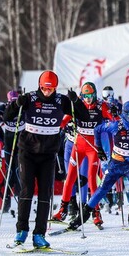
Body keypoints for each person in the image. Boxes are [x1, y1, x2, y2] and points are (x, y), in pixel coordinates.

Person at [5, 71, 86, 249]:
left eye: (50, 89)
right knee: (27, 190)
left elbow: (84, 116)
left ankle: (39, 234)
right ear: (39, 86)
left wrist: (76, 101)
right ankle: (21, 231)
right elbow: (7, 117)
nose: (47, 92)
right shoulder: (30, 98)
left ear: (55, 88)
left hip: (48, 154)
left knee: (45, 193)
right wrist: (16, 104)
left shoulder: (61, 100)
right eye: (44, 88)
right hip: (27, 152)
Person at [62, 101, 129, 231]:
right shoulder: (116, 125)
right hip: (116, 165)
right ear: (125, 114)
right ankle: (83, 216)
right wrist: (99, 148)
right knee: (102, 189)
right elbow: (97, 129)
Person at [53, 82, 114, 227]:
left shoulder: (101, 106)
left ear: (95, 94)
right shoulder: (78, 105)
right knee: (70, 177)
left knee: (92, 178)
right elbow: (63, 121)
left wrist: (115, 116)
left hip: (93, 147)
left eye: (90, 96)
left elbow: (115, 121)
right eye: (85, 96)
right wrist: (55, 124)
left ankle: (96, 212)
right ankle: (63, 210)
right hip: (78, 146)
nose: (87, 99)